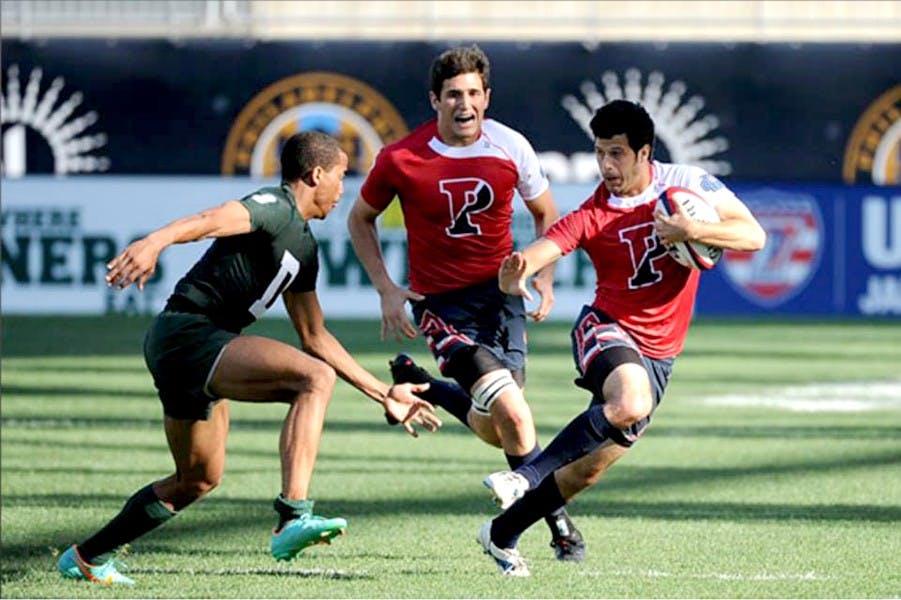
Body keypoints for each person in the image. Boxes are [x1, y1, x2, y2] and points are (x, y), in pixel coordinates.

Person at [56, 131, 442, 586]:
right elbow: (210, 219)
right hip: (189, 333)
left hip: (190, 346)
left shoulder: (304, 247)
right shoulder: (274, 206)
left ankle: (86, 557)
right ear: (316, 174)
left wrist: (383, 394)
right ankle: (292, 517)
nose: (343, 190)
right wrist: (155, 241)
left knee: (197, 479)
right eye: (340, 177)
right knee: (313, 379)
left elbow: (315, 335)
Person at [478, 99, 767, 576]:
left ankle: (501, 533)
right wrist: (519, 270)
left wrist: (689, 228)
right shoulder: (594, 213)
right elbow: (547, 247)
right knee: (631, 400)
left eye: (617, 153)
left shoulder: (688, 186)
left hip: (661, 355)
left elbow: (752, 235)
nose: (606, 165)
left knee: (585, 470)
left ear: (644, 153)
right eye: (599, 153)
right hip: (605, 329)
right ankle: (524, 475)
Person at [346, 44, 586, 561]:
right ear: (435, 99)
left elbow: (548, 213)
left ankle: (429, 388)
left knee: (495, 424)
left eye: (474, 93)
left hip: (502, 298)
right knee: (515, 416)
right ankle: (553, 525)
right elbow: (358, 219)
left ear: (487, 97)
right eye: (453, 94)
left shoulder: (510, 146)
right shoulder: (401, 157)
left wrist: (543, 274)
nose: (464, 104)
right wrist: (388, 287)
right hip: (441, 307)